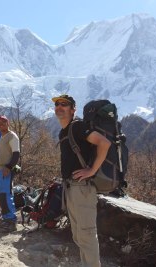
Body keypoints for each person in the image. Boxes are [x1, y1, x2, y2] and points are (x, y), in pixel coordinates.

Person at [53, 94, 110, 267]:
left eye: (64, 104)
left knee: (86, 234)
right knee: (78, 235)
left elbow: (104, 143)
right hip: (71, 188)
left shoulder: (77, 126)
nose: (59, 107)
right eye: (57, 104)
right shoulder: (64, 131)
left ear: (73, 109)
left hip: (82, 188)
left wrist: (91, 170)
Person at [0, 115, 20, 232]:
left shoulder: (11, 136)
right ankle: (5, 218)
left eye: (3, 122)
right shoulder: (2, 137)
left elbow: (16, 154)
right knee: (1, 196)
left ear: (8, 122)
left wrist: (9, 167)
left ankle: (11, 221)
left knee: (6, 195)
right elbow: (0, 156)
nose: (0, 124)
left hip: (6, 171)